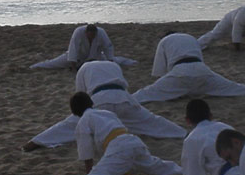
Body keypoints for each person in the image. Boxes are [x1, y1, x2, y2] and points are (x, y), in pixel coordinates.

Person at [22, 60, 186, 151]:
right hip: (124, 98)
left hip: (99, 99)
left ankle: (35, 142)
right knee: (151, 120)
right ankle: (182, 133)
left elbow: (81, 95)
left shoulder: (84, 68)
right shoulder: (113, 65)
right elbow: (124, 86)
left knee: (70, 124)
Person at [71, 91, 182, 175]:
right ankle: (181, 171)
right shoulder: (106, 113)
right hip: (133, 141)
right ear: (91, 103)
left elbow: (86, 152)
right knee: (157, 166)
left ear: (75, 112)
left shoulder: (84, 120)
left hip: (119, 148)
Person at [133, 32, 245, 103]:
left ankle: (128, 99)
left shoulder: (164, 41)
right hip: (201, 71)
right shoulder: (191, 38)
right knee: (232, 87)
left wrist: (165, 84)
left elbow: (160, 71)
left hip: (180, 72)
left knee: (147, 93)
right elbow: (200, 58)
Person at [30, 23, 137, 71]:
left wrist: (110, 61)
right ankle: (35, 66)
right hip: (79, 57)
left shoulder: (101, 33)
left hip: (95, 56)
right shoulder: (78, 32)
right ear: (86, 32)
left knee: (115, 61)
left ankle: (132, 62)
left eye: (93, 36)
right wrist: (73, 67)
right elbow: (73, 49)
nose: (92, 37)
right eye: (90, 36)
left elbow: (108, 47)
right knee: (54, 63)